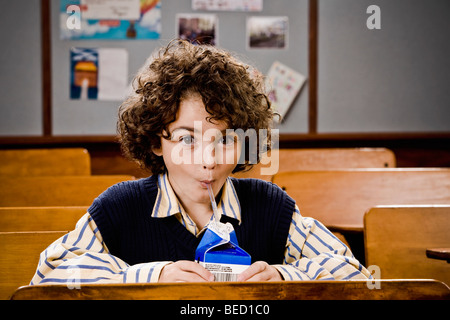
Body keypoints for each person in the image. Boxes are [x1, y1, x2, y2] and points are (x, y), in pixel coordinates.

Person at [31, 40, 370, 285]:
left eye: (224, 140)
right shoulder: (120, 208)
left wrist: (283, 276)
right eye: (187, 139)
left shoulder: (270, 206)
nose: (207, 160)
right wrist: (151, 276)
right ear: (155, 142)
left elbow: (354, 274)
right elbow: (47, 278)